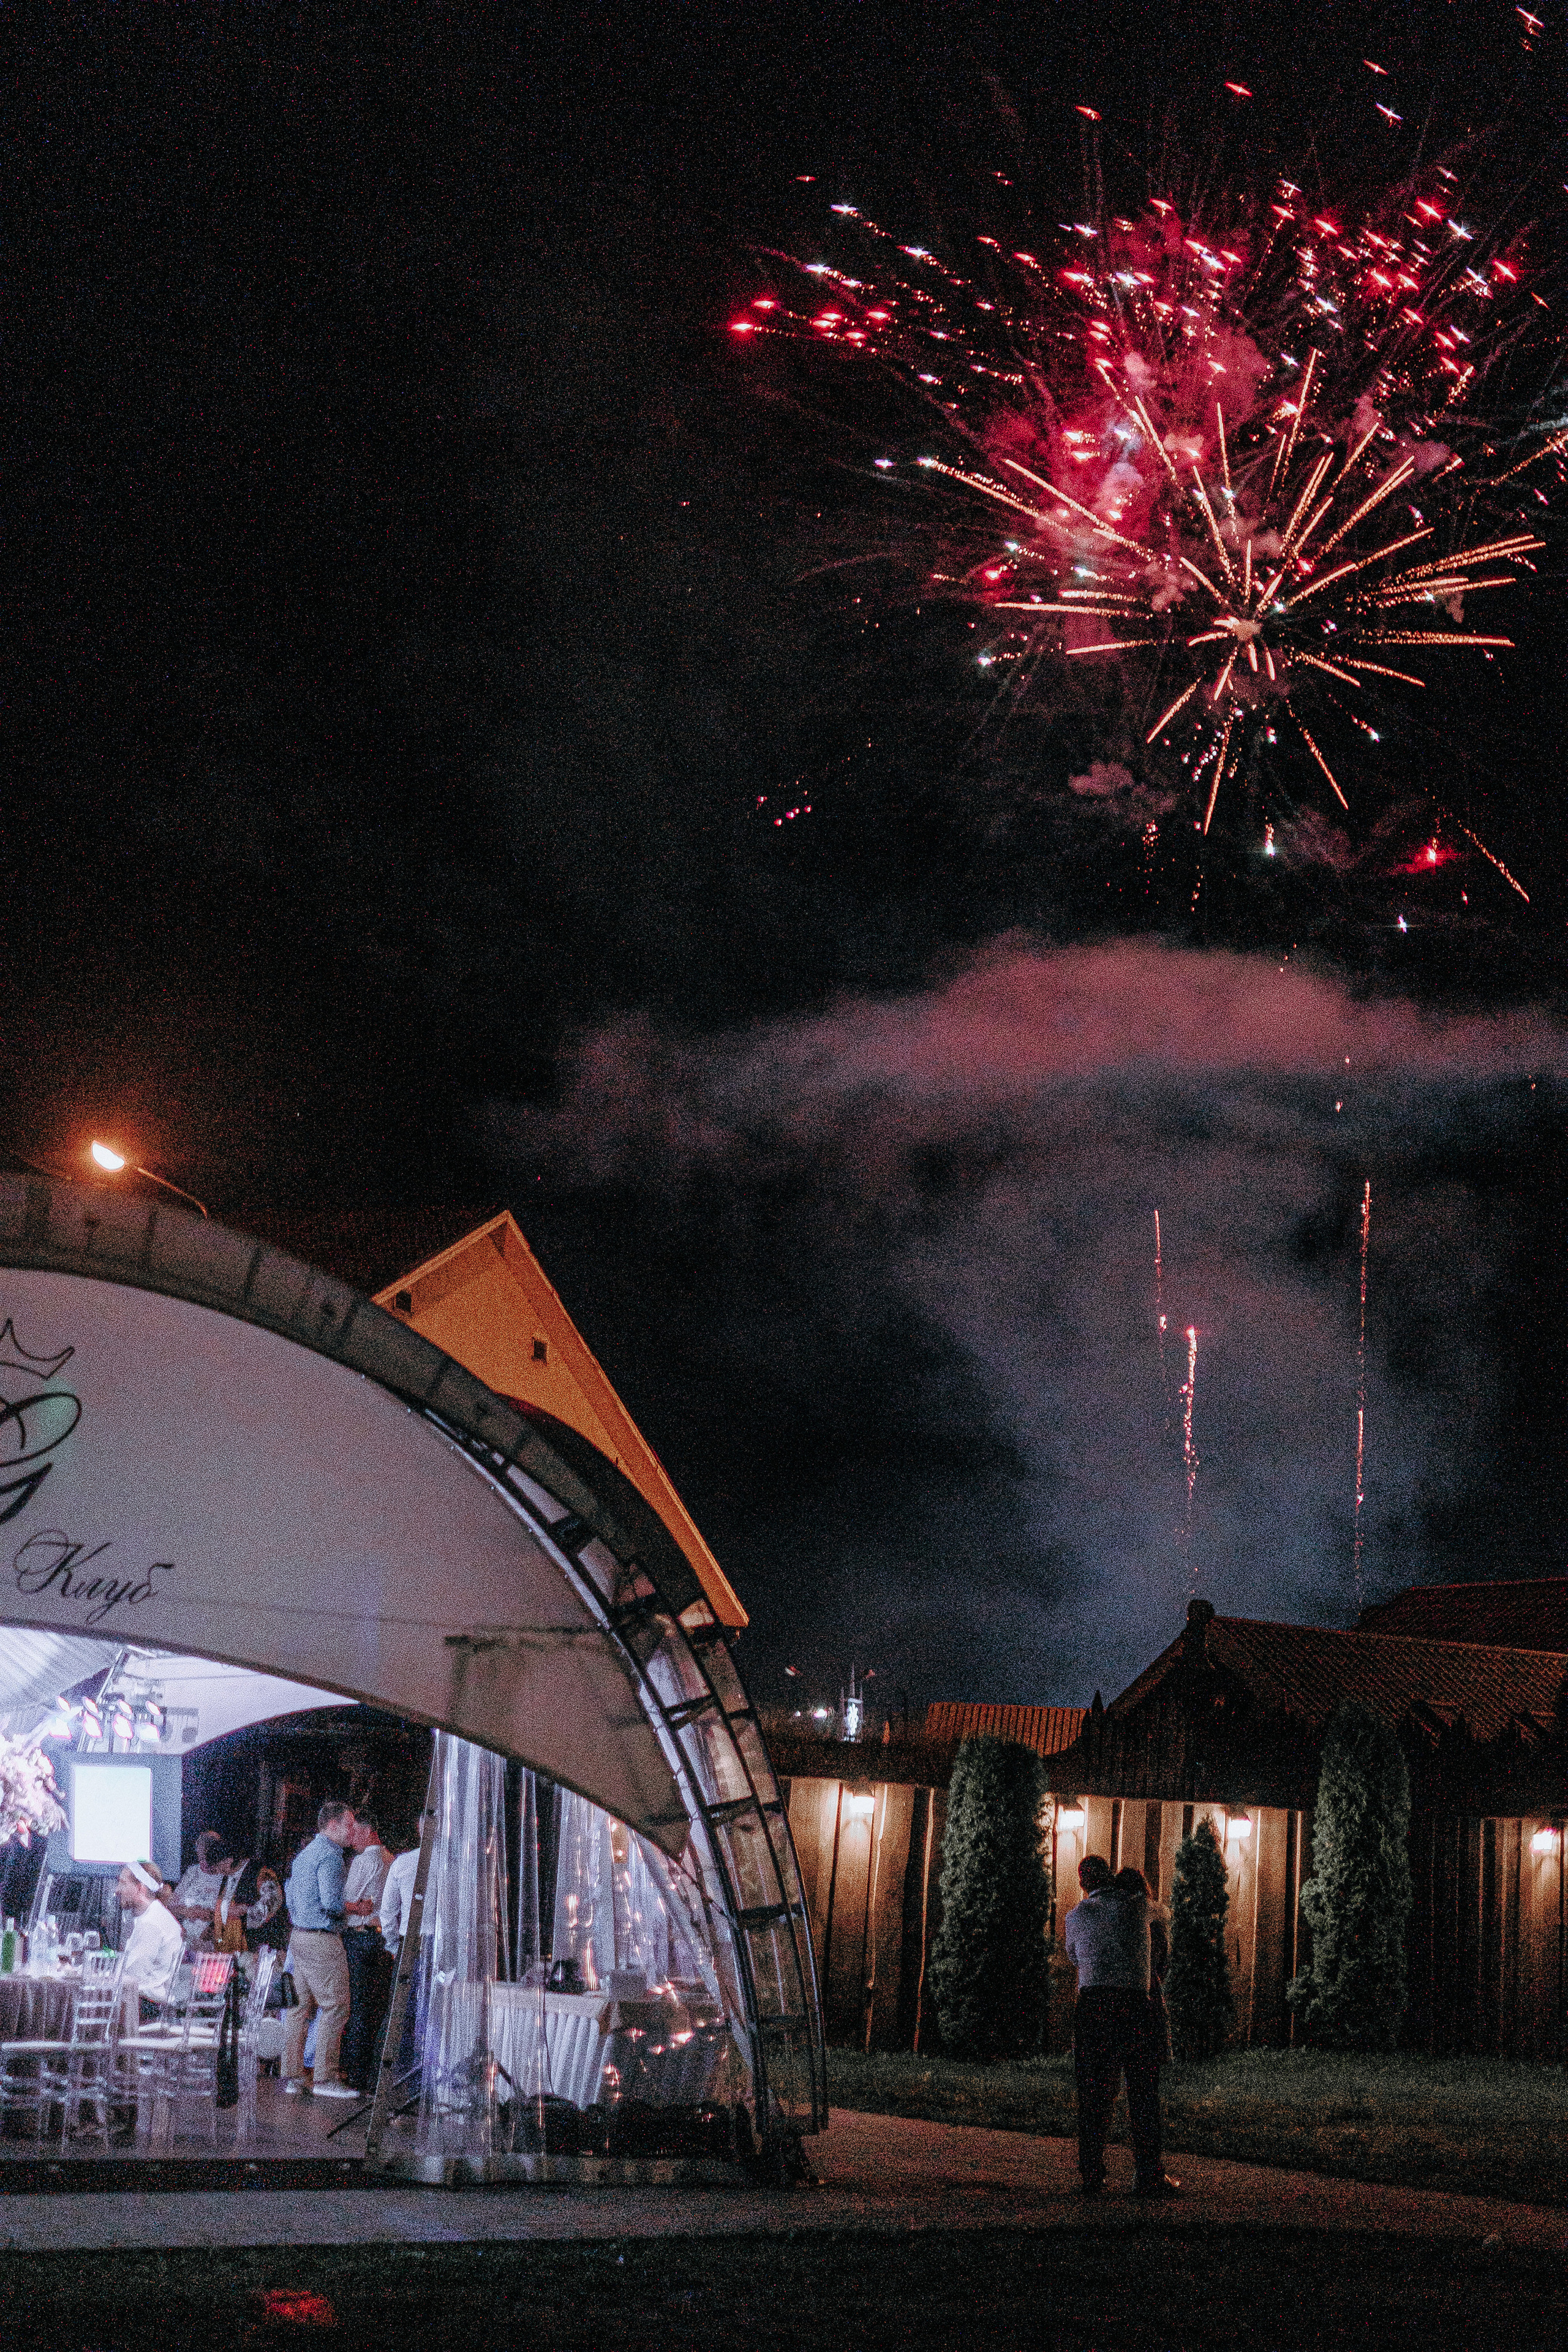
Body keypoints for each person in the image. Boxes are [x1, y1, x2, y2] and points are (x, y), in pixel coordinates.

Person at [1063, 1853, 1179, 2198]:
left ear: (1083, 1882)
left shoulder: (1075, 1915)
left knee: (1094, 2091)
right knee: (1142, 2089)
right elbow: (1166, 1915)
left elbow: (1073, 1956)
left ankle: (1092, 2173)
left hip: (1093, 2004)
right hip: (1133, 2003)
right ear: (1110, 1877)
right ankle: (1148, 2174)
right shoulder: (1139, 1906)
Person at [281, 1801, 360, 2098]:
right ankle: (326, 2078)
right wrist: (354, 1908)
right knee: (336, 2006)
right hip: (322, 1939)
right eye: (349, 1824)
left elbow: (292, 1898)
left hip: (298, 1936)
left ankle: (292, 2076)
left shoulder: (304, 1856)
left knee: (299, 2008)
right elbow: (332, 1904)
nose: (353, 1831)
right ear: (332, 1825)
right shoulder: (331, 1857)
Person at [339, 1810, 393, 2093]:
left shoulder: (365, 1860)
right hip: (380, 1939)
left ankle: (354, 2073)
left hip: (359, 1938)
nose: (351, 1840)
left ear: (367, 1831)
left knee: (356, 2007)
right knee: (373, 2007)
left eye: (355, 1833)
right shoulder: (388, 1858)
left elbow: (346, 1900)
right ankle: (371, 2074)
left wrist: (346, 1906)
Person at [115, 1860, 184, 2018]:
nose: (117, 1890)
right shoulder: (153, 1916)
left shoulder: (151, 1923)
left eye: (123, 1884)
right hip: (148, 2003)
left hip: (146, 2007)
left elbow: (133, 1974)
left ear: (140, 1888)